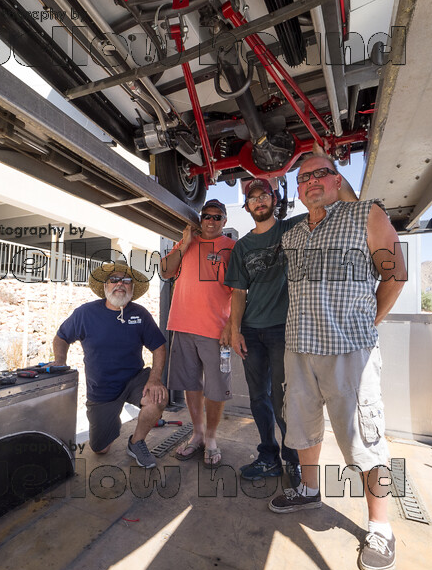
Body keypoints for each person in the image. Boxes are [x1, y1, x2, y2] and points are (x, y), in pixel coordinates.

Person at [269, 155, 406, 570]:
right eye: (302, 176)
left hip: (351, 354)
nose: (311, 181)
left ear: (337, 180)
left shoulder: (366, 213)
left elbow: (395, 275)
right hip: (300, 349)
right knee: (303, 428)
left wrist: (369, 321)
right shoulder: (292, 235)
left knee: (366, 438)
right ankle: (310, 490)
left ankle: (380, 528)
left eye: (320, 173)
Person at [226, 175, 357, 488]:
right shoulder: (242, 247)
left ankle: (293, 459)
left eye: (264, 195)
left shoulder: (293, 228)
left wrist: (329, 173)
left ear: (274, 200)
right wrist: (234, 331)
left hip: (285, 331)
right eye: (252, 197)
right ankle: (268, 456)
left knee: (286, 400)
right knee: (259, 399)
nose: (259, 201)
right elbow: (238, 294)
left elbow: (334, 206)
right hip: (252, 333)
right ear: (246, 206)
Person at [52, 262, 167, 469]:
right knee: (100, 449)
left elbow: (159, 347)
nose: (120, 284)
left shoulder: (140, 314)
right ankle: (112, 419)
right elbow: (61, 337)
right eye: (114, 279)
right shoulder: (85, 313)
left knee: (158, 398)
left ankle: (136, 442)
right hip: (102, 391)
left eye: (126, 280)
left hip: (134, 381)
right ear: (105, 286)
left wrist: (155, 379)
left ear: (132, 287)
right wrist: (60, 360)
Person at [161, 199, 235, 468]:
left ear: (224, 221)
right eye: (207, 216)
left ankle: (212, 438)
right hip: (183, 326)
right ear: (201, 219)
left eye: (217, 216)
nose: (211, 221)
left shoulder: (232, 248)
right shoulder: (186, 244)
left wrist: (232, 326)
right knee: (191, 385)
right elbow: (166, 271)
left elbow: (240, 291)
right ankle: (198, 434)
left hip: (218, 332)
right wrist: (185, 242)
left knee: (217, 387)